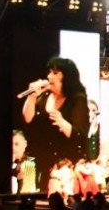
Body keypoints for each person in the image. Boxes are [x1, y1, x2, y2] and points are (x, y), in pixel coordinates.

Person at [21, 56, 91, 192]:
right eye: (49, 72)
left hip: (67, 165)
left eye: (55, 73)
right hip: (44, 161)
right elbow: (28, 119)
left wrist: (61, 121)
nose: (49, 76)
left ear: (66, 77)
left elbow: (79, 135)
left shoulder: (77, 100)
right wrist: (32, 96)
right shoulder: (45, 97)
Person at [12, 129, 37, 194]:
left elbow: (27, 189)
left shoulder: (30, 162)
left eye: (16, 144)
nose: (13, 148)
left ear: (25, 144)